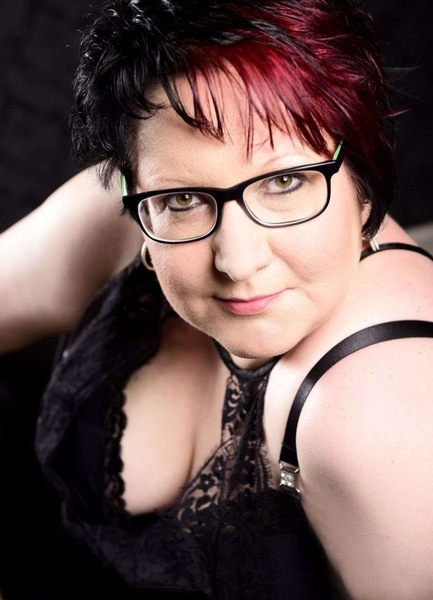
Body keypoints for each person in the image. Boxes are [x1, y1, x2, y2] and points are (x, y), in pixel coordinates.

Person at [2, 0, 433, 598]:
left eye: (284, 182)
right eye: (183, 199)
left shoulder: (374, 414)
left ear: (364, 179)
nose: (237, 262)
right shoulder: (127, 220)